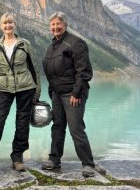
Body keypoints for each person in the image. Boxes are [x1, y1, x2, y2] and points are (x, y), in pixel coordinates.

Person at [0, 12, 40, 173]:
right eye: (5, 23)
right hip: (3, 88)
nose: (8, 25)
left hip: (25, 87)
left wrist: (37, 91)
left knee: (22, 122)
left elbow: (33, 68)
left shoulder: (24, 44)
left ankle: (18, 157)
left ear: (15, 25)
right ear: (1, 26)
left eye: (11, 23)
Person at [42, 12, 95, 177]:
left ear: (65, 25)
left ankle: (88, 164)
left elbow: (83, 71)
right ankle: (54, 159)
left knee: (76, 129)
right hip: (57, 94)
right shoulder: (52, 45)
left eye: (58, 24)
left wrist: (76, 93)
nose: (55, 27)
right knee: (57, 127)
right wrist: (51, 91)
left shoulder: (76, 43)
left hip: (72, 93)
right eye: (52, 25)